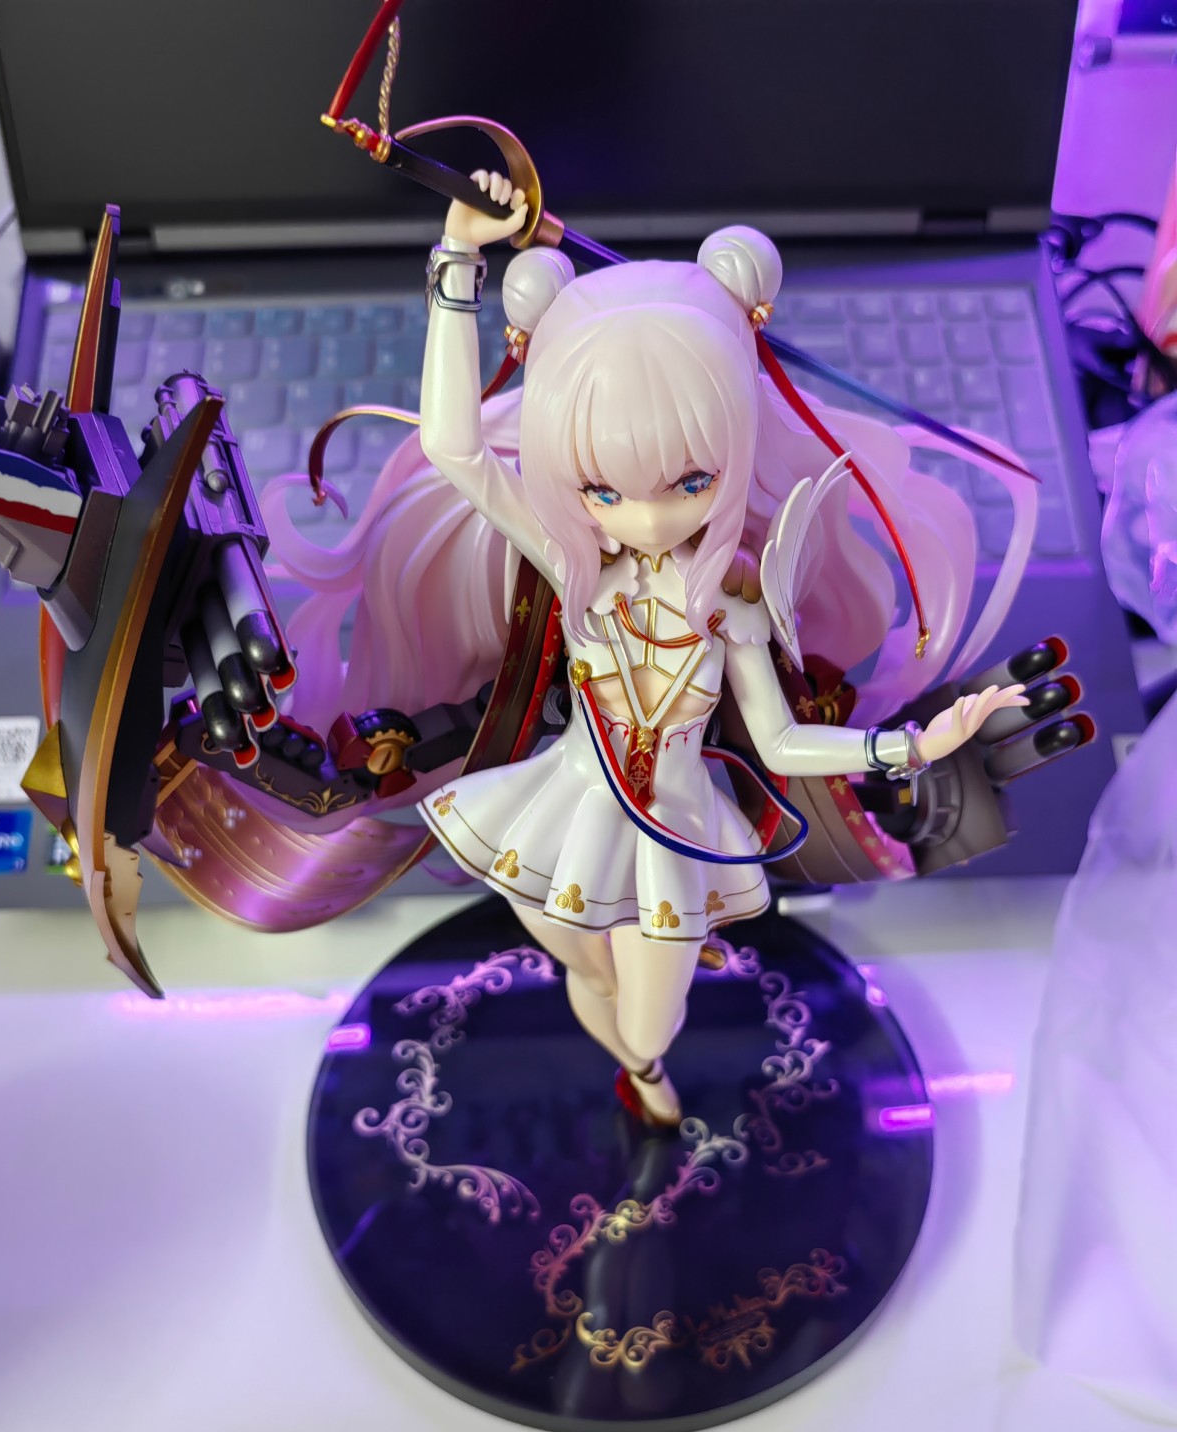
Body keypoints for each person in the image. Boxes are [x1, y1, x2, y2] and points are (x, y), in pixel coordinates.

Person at [393, 170, 1026, 1127]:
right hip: (561, 815)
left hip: (676, 841)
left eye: (689, 483)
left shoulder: (733, 606)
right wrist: (457, 258)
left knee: (649, 1021)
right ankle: (636, 1078)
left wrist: (911, 747)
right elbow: (455, 448)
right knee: (588, 976)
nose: (646, 518)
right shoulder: (575, 566)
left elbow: (778, 743)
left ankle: (641, 1072)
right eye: (603, 490)